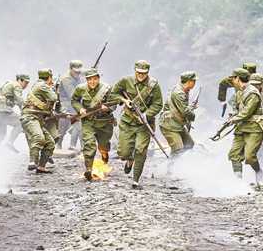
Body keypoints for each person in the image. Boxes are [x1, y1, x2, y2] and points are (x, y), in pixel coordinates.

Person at [110, 60, 163, 189]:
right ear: (135, 70)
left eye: (144, 73)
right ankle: (129, 160)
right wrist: (124, 100)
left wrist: (147, 115)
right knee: (123, 152)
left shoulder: (154, 85)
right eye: (139, 72)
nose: (141, 75)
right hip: (127, 121)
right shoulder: (125, 81)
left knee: (141, 150)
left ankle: (136, 180)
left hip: (144, 124)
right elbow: (113, 93)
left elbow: (158, 104)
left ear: (148, 72)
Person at [71, 68, 115, 181]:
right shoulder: (80, 88)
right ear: (86, 80)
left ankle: (104, 158)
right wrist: (80, 109)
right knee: (89, 144)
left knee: (103, 146)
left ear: (98, 78)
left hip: (104, 122)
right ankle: (89, 170)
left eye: (95, 79)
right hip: (88, 122)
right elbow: (74, 100)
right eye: (90, 79)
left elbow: (114, 103)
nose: (92, 82)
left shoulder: (107, 88)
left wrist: (107, 108)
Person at [226, 69, 263, 184]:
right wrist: (232, 115)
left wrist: (234, 119)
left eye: (233, 78)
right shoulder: (239, 92)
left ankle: (258, 172)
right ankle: (238, 182)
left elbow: (247, 112)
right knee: (234, 154)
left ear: (238, 78)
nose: (232, 81)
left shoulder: (252, 92)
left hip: (254, 129)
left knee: (249, 157)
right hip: (241, 128)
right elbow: (236, 107)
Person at [20, 69, 59, 174]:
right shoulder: (42, 85)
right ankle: (32, 161)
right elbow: (54, 97)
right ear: (49, 77)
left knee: (50, 143)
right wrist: (53, 89)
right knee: (39, 137)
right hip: (30, 117)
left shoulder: (37, 85)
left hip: (36, 118)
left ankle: (41, 167)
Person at [0, 74, 30, 152]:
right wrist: (25, 112)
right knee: (21, 122)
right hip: (1, 110)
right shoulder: (17, 86)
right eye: (25, 83)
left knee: (1, 133)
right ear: (20, 80)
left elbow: (14, 100)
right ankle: (10, 142)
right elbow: (20, 101)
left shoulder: (9, 83)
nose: (26, 85)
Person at [159, 71, 198, 157]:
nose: (195, 83)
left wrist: (191, 107)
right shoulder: (179, 93)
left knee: (189, 144)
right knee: (178, 149)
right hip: (169, 126)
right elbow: (185, 112)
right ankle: (172, 168)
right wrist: (193, 115)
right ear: (189, 82)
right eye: (194, 81)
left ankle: (180, 162)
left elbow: (181, 107)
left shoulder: (183, 89)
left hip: (176, 123)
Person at [57, 60, 84, 150]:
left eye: (79, 71)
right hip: (65, 104)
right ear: (70, 69)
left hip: (75, 103)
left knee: (80, 125)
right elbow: (72, 95)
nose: (78, 73)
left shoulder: (77, 75)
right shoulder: (66, 79)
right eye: (76, 71)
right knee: (63, 127)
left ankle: (82, 147)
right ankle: (58, 145)